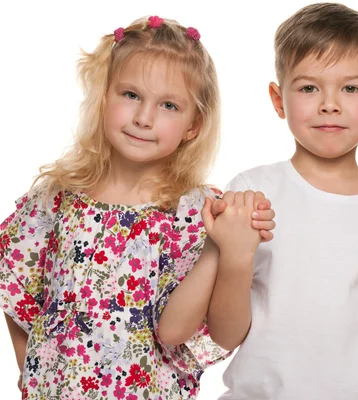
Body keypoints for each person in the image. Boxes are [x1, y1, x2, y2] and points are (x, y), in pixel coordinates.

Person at [0, 15, 273, 399]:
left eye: (169, 105)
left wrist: (219, 247)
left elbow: (176, 331)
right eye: (130, 95)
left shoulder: (194, 214)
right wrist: (28, 367)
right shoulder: (58, 198)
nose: (144, 118)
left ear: (194, 124)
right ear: (104, 96)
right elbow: (17, 290)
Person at [206, 4, 358, 399]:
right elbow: (225, 335)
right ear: (278, 98)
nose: (329, 104)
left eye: (350, 88)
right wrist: (235, 258)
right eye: (308, 88)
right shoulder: (251, 192)